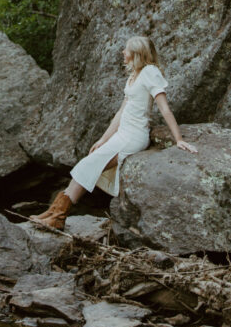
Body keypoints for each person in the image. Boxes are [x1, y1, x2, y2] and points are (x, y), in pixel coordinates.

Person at [30, 36, 197, 230]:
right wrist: (102, 139)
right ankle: (53, 212)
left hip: (133, 137)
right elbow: (120, 113)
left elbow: (164, 108)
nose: (122, 53)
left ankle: (58, 216)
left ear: (136, 54)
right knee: (87, 163)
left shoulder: (150, 72)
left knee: (88, 165)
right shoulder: (134, 75)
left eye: (126, 50)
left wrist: (178, 139)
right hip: (121, 135)